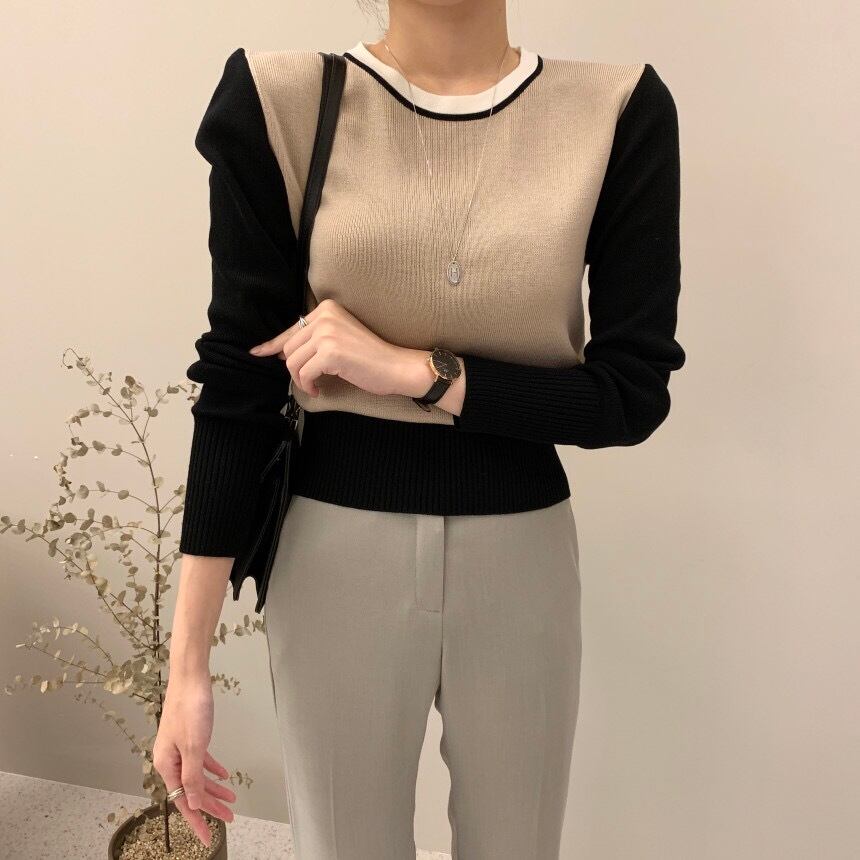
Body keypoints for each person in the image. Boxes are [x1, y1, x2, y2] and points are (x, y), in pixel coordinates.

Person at [153, 2, 686, 857]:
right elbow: (238, 383)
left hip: (524, 557)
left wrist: (420, 373)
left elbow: (630, 394)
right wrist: (187, 667)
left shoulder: (615, 110)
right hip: (332, 557)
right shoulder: (283, 100)